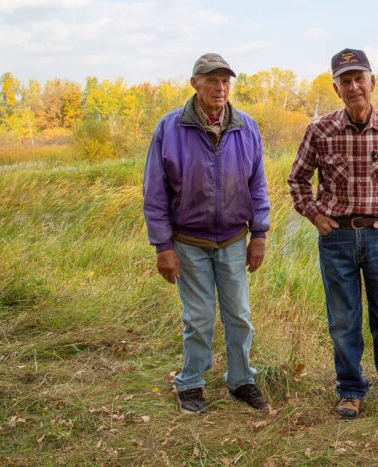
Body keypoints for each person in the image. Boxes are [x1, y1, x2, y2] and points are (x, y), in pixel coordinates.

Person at [287, 48, 378, 418]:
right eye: (345, 81)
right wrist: (315, 216)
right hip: (335, 238)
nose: (354, 87)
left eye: (359, 79)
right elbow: (297, 180)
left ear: (373, 82)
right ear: (336, 89)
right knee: (343, 319)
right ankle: (350, 390)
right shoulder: (319, 131)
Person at [143, 53, 270, 414]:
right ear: (195, 83)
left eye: (225, 80)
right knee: (197, 317)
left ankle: (241, 379)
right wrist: (162, 245)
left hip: (233, 239)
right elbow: (155, 192)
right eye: (211, 80)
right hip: (188, 242)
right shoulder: (170, 128)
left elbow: (258, 185)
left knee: (239, 316)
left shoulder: (247, 127)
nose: (220, 87)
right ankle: (191, 382)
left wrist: (258, 233)